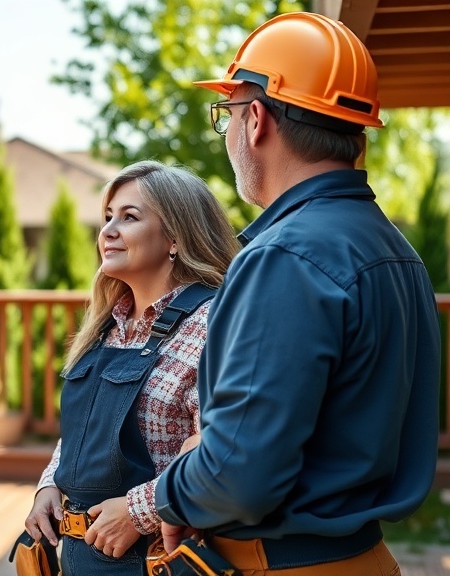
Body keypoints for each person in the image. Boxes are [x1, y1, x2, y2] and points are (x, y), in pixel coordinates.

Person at [155, 12, 441, 575]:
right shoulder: (396, 251)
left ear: (255, 119)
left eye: (228, 114)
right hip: (364, 558)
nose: (230, 131)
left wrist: (171, 493)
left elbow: (240, 475)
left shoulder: (284, 257)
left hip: (280, 564)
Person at [23, 160, 240, 574]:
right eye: (107, 218)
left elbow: (225, 448)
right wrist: (49, 483)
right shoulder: (106, 324)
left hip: (160, 559)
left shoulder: (214, 323)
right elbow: (85, 431)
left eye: (129, 217)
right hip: (79, 556)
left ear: (175, 236)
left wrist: (139, 512)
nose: (107, 231)